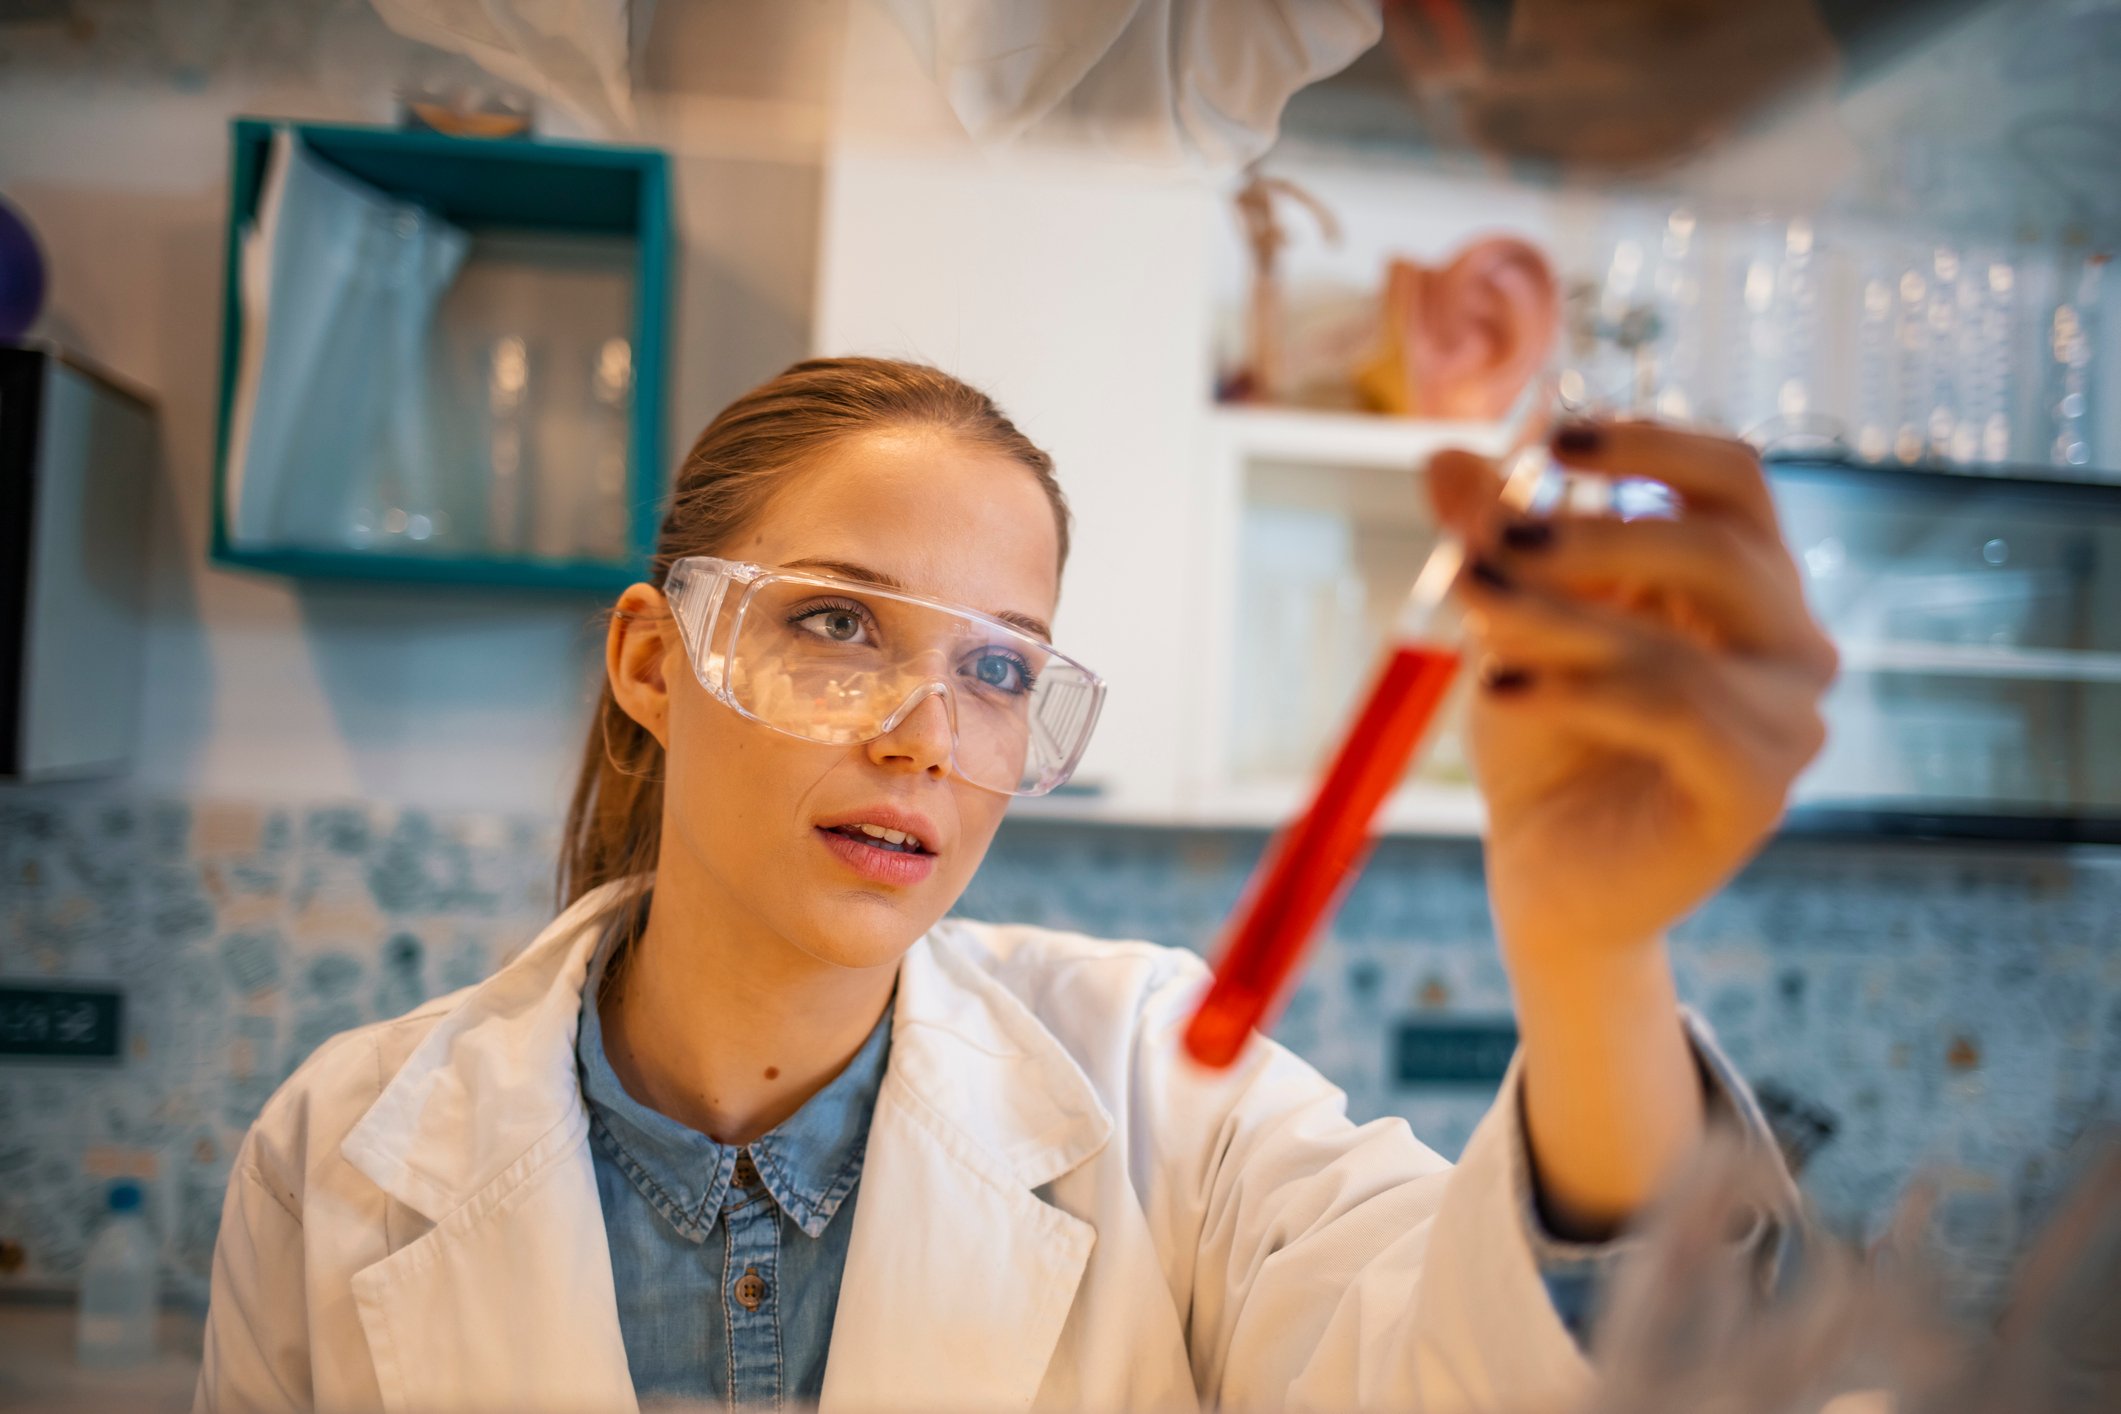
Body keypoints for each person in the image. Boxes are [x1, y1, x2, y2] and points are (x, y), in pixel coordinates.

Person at [194, 357, 1838, 1413]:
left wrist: (1590, 948)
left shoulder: (1163, 1094)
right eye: (837, 622)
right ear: (652, 658)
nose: (925, 736)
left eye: (998, 670)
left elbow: (1499, 1370)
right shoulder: (334, 1152)